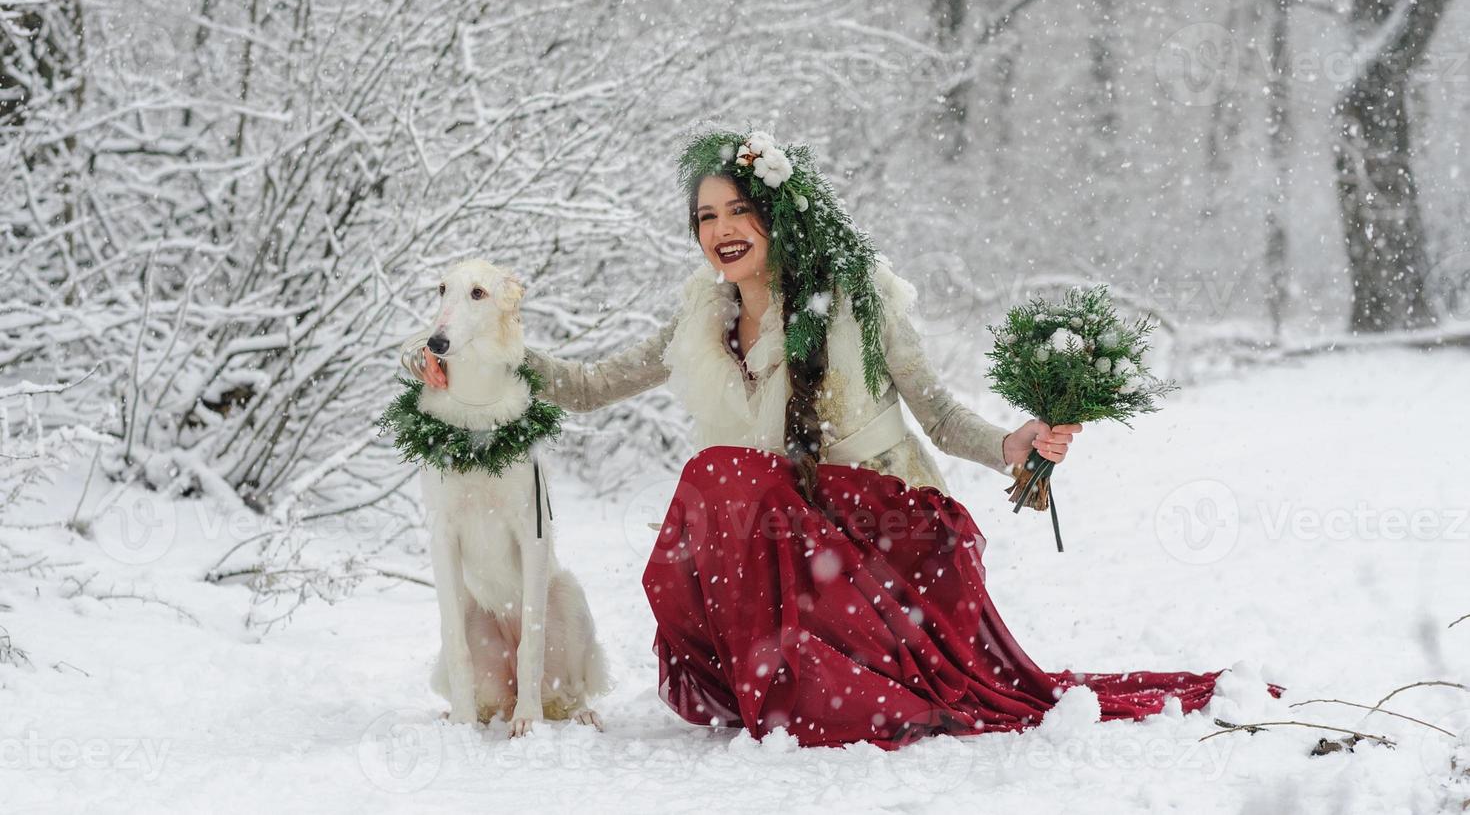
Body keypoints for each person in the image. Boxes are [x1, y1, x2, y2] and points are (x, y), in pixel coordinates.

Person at [410, 129, 1280, 749]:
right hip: (783, 541)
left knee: (723, 474)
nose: (720, 230)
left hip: (881, 532)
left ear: (777, 214)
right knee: (723, 475)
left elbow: (933, 409)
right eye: (705, 217)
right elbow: (594, 385)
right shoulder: (701, 310)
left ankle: (825, 674)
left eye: (738, 209)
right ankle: (785, 677)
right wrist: (487, 350)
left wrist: (1013, 447)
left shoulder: (857, 292)